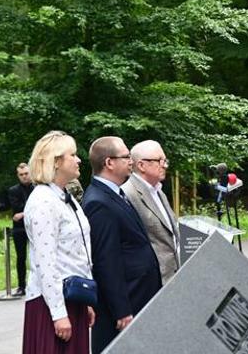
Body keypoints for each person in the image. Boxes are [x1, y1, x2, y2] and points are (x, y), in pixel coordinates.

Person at [83, 136, 162, 353]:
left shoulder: (114, 194)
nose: (131, 161)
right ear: (109, 162)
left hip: (139, 294)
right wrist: (121, 310)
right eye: (126, 156)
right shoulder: (98, 202)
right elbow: (106, 261)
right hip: (127, 301)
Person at [21, 131, 94, 353]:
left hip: (73, 297)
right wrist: (58, 313)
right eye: (72, 154)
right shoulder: (44, 201)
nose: (78, 159)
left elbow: (79, 250)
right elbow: (46, 263)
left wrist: (87, 297)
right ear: (56, 162)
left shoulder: (64, 197)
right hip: (51, 303)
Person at [121, 140, 180, 285]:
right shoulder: (127, 194)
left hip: (174, 276)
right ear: (141, 165)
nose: (164, 165)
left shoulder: (159, 191)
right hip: (152, 282)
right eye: (159, 161)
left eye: (165, 160)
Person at [8, 163, 34, 297]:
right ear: (18, 175)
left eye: (26, 174)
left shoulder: (37, 188)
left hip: (35, 226)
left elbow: (35, 207)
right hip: (19, 229)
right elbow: (16, 207)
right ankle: (21, 285)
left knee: (37, 256)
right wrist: (27, 211)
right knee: (21, 257)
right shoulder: (13, 190)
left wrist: (23, 213)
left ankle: (37, 283)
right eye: (21, 174)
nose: (24, 177)